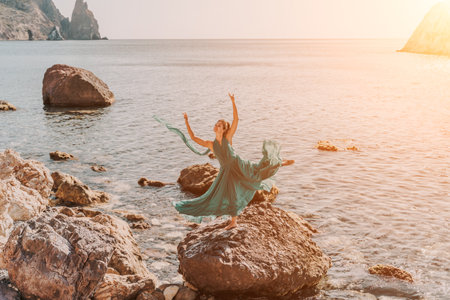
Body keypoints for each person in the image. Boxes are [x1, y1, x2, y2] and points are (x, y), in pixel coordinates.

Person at [173, 93, 294, 230]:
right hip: (226, 171)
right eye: (216, 124)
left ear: (224, 129)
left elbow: (236, 119)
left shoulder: (228, 138)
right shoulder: (211, 144)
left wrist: (233, 101)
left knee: (257, 173)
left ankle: (279, 163)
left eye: (220, 125)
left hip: (238, 165)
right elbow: (194, 137)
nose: (217, 126)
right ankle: (233, 221)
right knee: (218, 194)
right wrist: (186, 121)